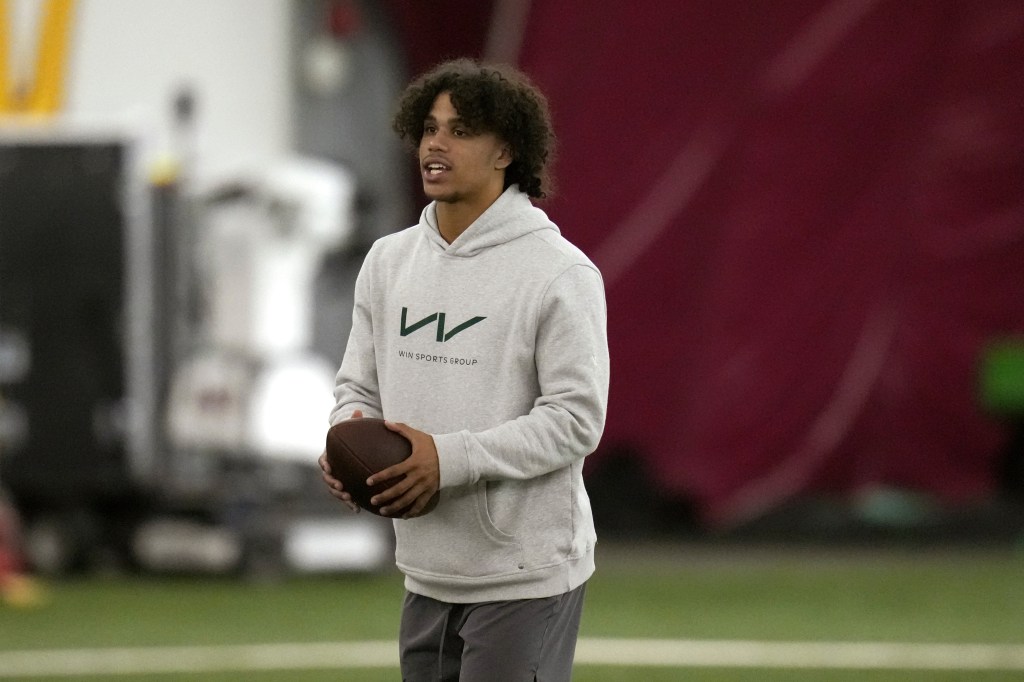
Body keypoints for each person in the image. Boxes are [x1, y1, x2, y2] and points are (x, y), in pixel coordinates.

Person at [320, 58, 609, 681]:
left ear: (507, 148)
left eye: (460, 129)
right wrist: (347, 442)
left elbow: (575, 420)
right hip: (426, 570)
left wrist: (446, 460)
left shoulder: (560, 273)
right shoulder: (387, 260)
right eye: (428, 127)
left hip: (524, 575)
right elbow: (356, 387)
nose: (435, 143)